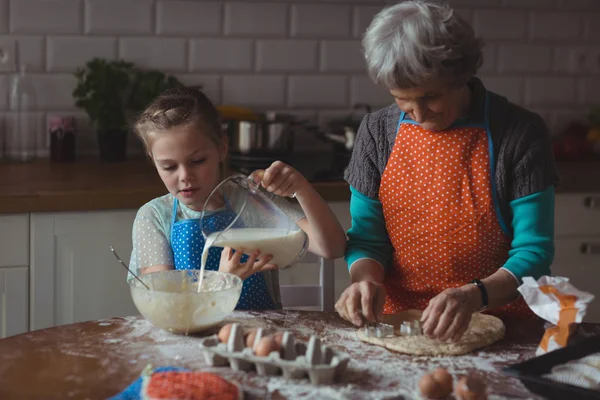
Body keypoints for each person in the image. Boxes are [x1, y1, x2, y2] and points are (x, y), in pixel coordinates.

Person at [335, 0, 558, 342]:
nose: (419, 114)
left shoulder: (519, 133)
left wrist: (473, 296)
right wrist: (365, 281)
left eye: (431, 96)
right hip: (400, 327)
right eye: (402, 99)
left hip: (502, 324)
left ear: (462, 74)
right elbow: (368, 238)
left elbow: (534, 253)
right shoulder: (377, 132)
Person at [129, 86, 346, 310]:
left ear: (222, 147)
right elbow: (162, 304)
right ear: (153, 160)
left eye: (197, 161)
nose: (185, 176)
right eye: (169, 166)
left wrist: (301, 188)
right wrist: (220, 284)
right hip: (189, 341)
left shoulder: (251, 199)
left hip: (262, 335)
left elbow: (333, 247)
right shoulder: (154, 217)